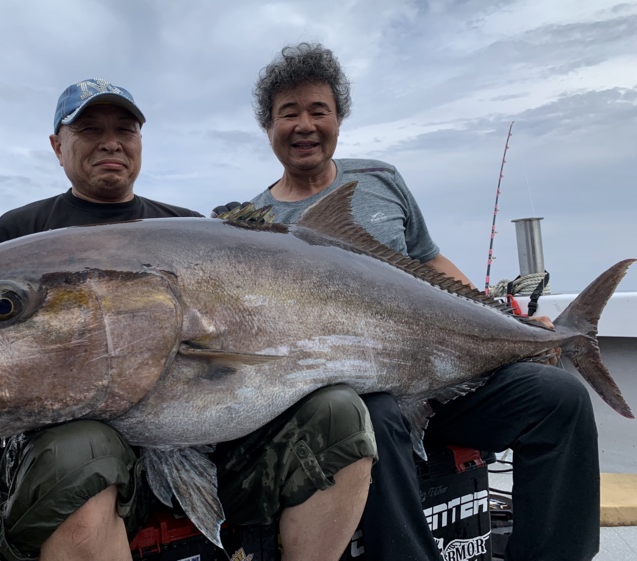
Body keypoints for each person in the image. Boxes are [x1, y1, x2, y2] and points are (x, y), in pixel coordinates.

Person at [214, 43, 600, 561]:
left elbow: (433, 264)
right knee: (369, 415)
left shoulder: (380, 181)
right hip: (357, 400)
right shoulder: (251, 226)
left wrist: (513, 324)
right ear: (269, 127)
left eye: (318, 110)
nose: (304, 124)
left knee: (559, 399)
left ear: (338, 119)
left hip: (444, 375)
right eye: (289, 113)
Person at [0, 78, 377, 561]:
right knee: (82, 451)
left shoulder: (186, 228)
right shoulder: (22, 233)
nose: (110, 141)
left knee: (339, 411)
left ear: (140, 143)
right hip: (90, 464)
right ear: (57, 145)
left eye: (125, 130)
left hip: (199, 438)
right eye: (89, 129)